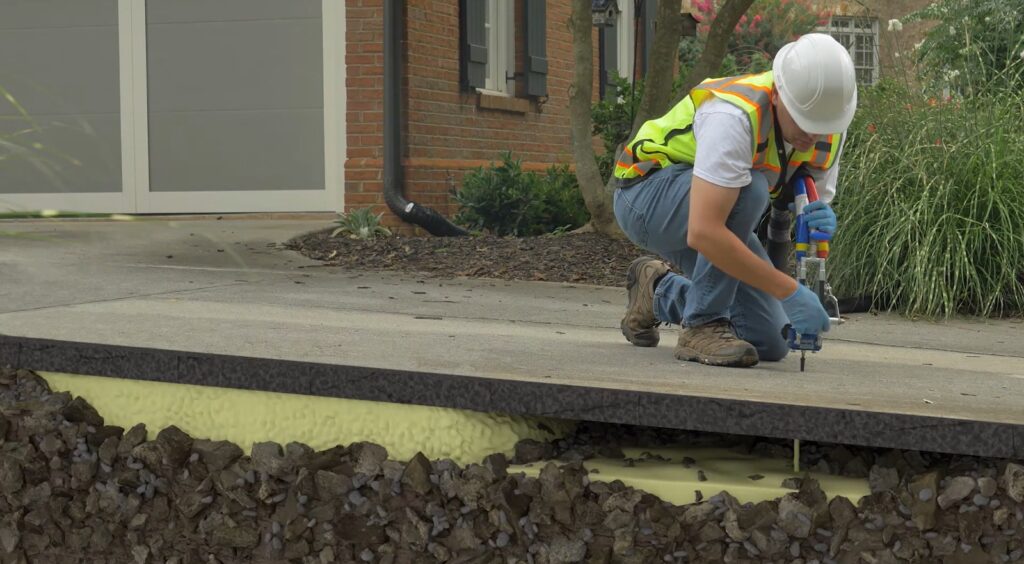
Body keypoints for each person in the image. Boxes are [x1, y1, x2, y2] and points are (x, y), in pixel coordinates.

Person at [612, 33, 857, 368]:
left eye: (821, 124)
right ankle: (702, 324)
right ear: (779, 92)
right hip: (646, 198)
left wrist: (819, 217)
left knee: (770, 340)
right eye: (802, 117)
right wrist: (788, 290)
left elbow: (803, 202)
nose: (812, 133)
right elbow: (704, 232)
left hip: (715, 214)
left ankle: (656, 291)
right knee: (751, 189)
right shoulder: (734, 115)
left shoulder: (828, 122)